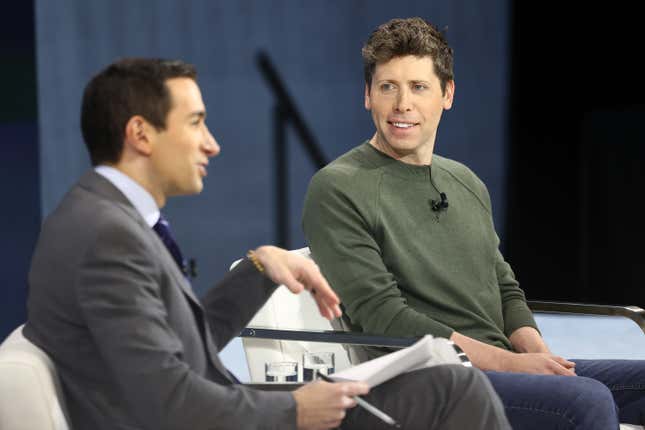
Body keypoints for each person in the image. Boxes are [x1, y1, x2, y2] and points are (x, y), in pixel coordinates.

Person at [24, 57, 510, 430]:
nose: (211, 143)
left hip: (213, 409)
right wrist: (294, 410)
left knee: (448, 384)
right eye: (195, 122)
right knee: (455, 390)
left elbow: (181, 351)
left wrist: (258, 270)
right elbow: (168, 404)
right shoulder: (108, 238)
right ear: (140, 135)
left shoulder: (106, 217)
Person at [302, 17, 645, 429]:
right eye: (387, 87)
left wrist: (536, 354)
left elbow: (503, 287)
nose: (402, 105)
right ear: (367, 96)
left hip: (499, 368)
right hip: (425, 381)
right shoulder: (337, 188)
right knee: (585, 401)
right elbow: (385, 318)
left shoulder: (465, 182)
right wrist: (511, 365)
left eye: (418, 87)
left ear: (447, 94)